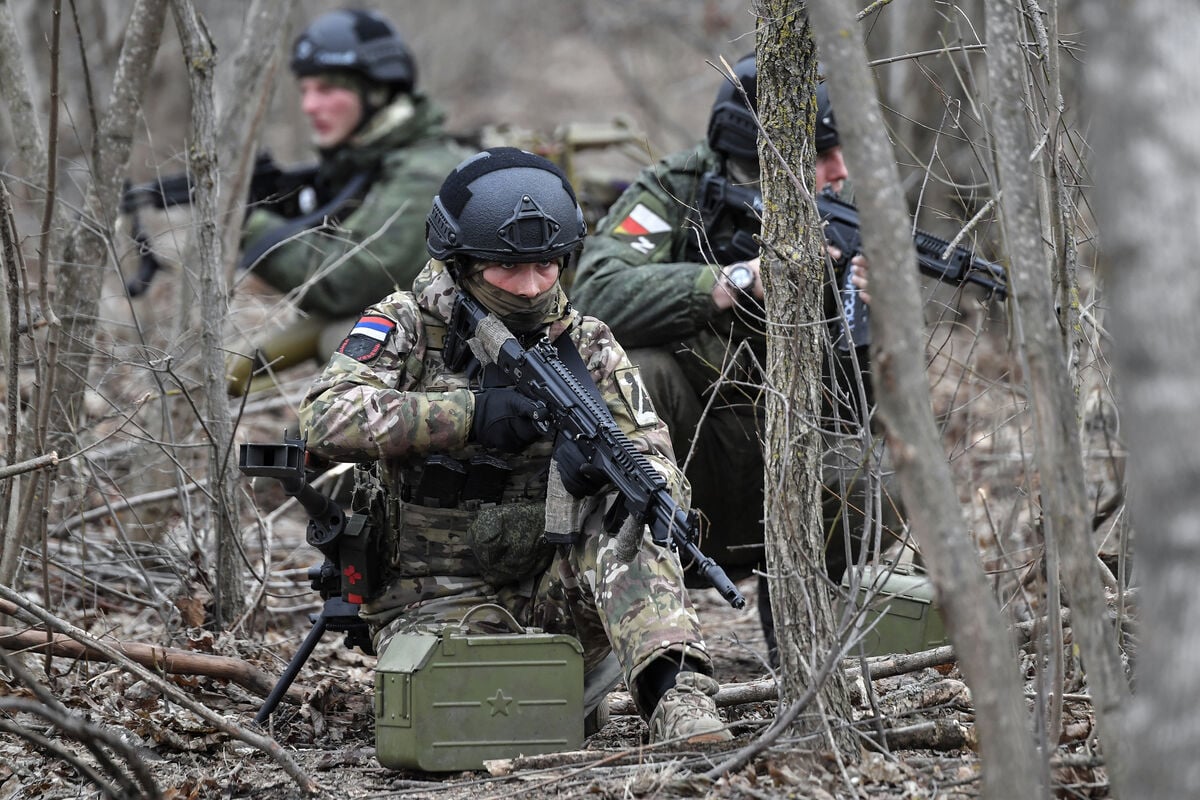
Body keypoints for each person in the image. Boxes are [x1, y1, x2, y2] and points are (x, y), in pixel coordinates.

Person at [297, 147, 734, 744]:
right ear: (463, 262)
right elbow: (324, 417)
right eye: (509, 268)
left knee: (635, 520)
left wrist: (610, 477)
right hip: (432, 595)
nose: (531, 287)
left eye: (547, 266)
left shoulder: (588, 343)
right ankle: (554, 695)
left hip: (553, 586)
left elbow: (651, 450)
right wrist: (468, 416)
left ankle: (678, 698)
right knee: (478, 722)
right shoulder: (406, 325)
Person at [569, 54, 906, 660]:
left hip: (788, 458)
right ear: (765, 156)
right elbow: (595, 294)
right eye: (824, 152)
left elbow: (860, 414)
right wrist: (732, 279)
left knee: (882, 473)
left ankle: (801, 639)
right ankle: (637, 628)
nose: (840, 170)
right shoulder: (675, 192)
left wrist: (871, 318)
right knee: (641, 370)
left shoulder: (848, 217)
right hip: (687, 459)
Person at [227, 8, 471, 396]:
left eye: (326, 89)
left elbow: (347, 282)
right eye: (305, 89)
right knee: (240, 367)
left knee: (341, 337)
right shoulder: (369, 159)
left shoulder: (423, 171)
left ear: (376, 92)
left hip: (465, 355)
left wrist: (247, 225)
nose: (308, 105)